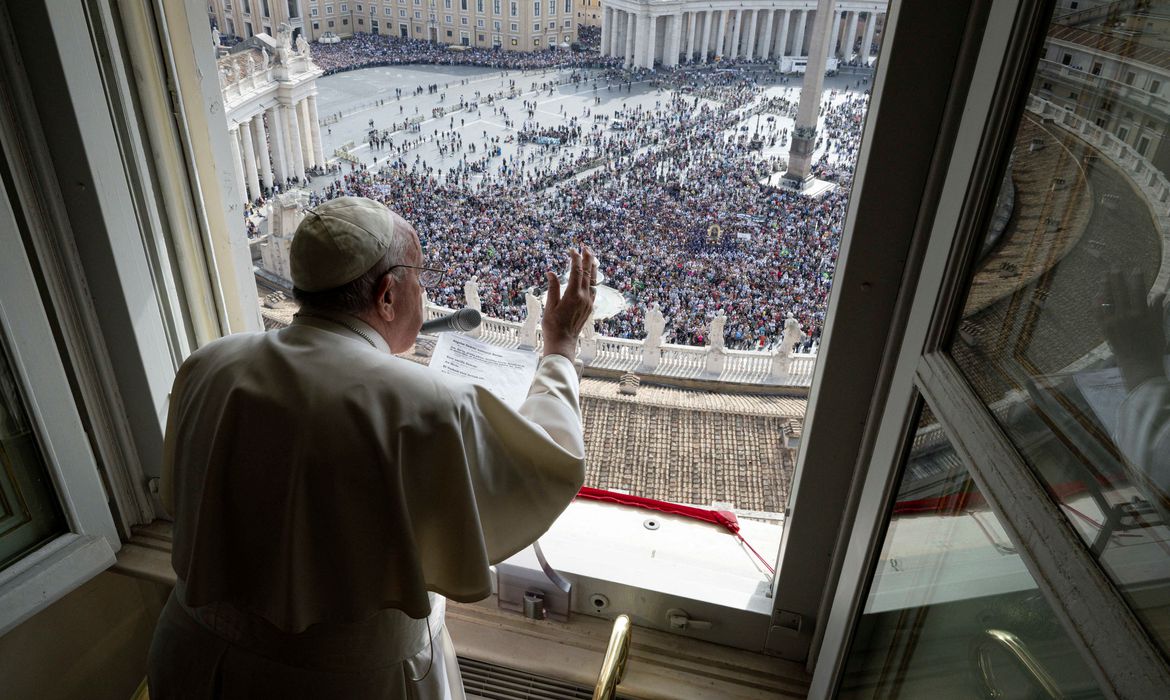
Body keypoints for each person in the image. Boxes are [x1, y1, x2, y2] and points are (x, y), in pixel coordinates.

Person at [148, 196, 597, 698]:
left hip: (192, 659)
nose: (425, 294)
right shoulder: (429, 404)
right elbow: (551, 461)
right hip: (344, 685)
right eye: (421, 280)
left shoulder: (209, 364)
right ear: (387, 296)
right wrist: (559, 350)